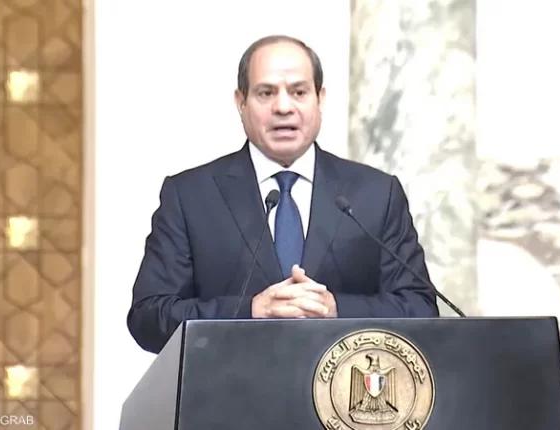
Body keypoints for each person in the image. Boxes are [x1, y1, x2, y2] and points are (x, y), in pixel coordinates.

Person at [127, 35, 439, 354]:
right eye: (266, 93)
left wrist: (335, 309)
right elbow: (149, 317)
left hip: (347, 383)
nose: (283, 107)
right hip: (230, 384)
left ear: (320, 99)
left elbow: (420, 308)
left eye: (299, 92)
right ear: (241, 102)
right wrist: (251, 310)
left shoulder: (376, 194)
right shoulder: (190, 196)